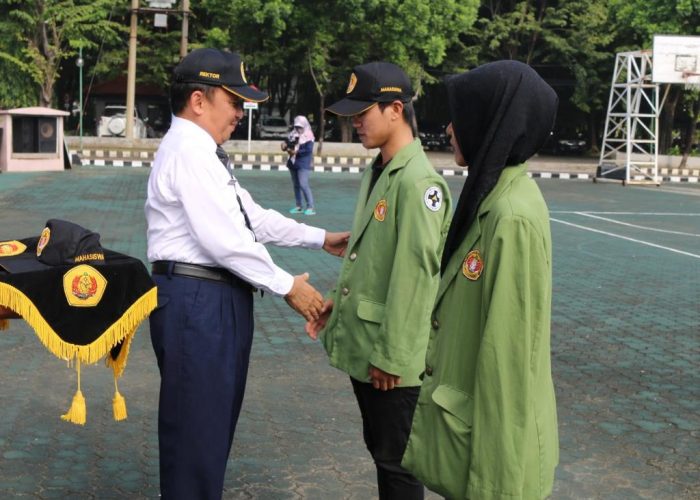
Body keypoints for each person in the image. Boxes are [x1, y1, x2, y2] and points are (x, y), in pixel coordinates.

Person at [144, 48, 349, 499]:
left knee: (209, 431)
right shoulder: (189, 152)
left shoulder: (203, 151)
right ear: (199, 101)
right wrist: (288, 287)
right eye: (234, 101)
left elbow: (250, 217)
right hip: (196, 300)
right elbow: (225, 241)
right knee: (196, 437)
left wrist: (320, 238)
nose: (240, 112)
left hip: (211, 299)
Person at [401, 60, 560, 499]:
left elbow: (510, 364)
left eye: (461, 116)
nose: (450, 129)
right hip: (468, 436)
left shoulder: (510, 218)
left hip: (492, 459)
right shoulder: (491, 199)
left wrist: (495, 489)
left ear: (490, 121)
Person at [306, 61, 452, 499]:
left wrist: (392, 355)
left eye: (362, 113)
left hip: (391, 359)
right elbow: (369, 256)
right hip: (369, 345)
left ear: (394, 109)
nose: (355, 123)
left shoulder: (418, 183)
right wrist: (337, 300)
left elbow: (416, 278)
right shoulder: (380, 170)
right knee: (384, 455)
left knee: (399, 465)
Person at [282, 115, 316, 215]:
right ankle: (299, 206)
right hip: (293, 163)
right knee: (296, 185)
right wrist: (284, 145)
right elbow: (288, 144)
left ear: (305, 125)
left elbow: (308, 150)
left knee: (303, 185)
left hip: (303, 163)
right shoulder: (293, 133)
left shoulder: (309, 135)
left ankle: (311, 207)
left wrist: (296, 152)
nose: (298, 129)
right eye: (297, 126)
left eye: (300, 127)